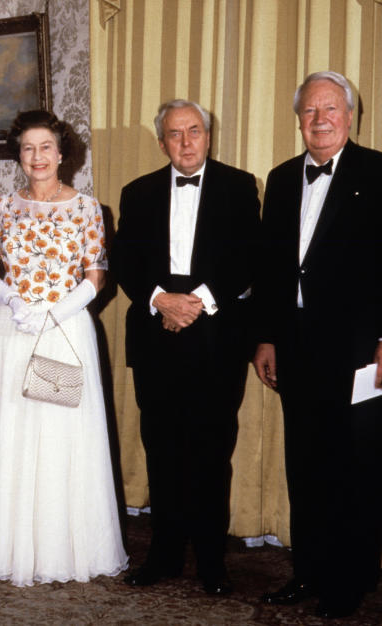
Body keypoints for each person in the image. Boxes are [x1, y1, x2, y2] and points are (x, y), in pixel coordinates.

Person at [0, 110, 127, 586]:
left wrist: (54, 311)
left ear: (63, 153)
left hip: (64, 328)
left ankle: (62, 548)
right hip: (12, 330)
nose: (38, 156)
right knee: (9, 433)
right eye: (28, 148)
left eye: (46, 146)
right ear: (19, 155)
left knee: (61, 432)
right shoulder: (4, 207)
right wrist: (11, 298)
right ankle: (3, 543)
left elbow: (97, 275)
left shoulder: (88, 208)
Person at [112, 100, 261, 594]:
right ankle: (164, 554)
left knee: (212, 449)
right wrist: (161, 301)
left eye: (194, 131)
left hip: (216, 336)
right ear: (162, 143)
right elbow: (126, 261)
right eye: (174, 135)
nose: (185, 142)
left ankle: (212, 562)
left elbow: (248, 257)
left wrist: (194, 304)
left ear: (208, 135)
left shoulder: (240, 186)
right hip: (156, 336)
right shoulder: (138, 192)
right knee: (161, 447)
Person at [253, 71, 382, 619]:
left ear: (350, 116)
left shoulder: (378, 172)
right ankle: (307, 571)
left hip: (357, 349)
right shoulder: (281, 179)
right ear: (298, 119)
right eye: (309, 111)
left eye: (331, 109)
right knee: (304, 465)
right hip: (296, 345)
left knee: (354, 465)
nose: (320, 118)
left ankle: (349, 581)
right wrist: (264, 336)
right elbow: (270, 267)